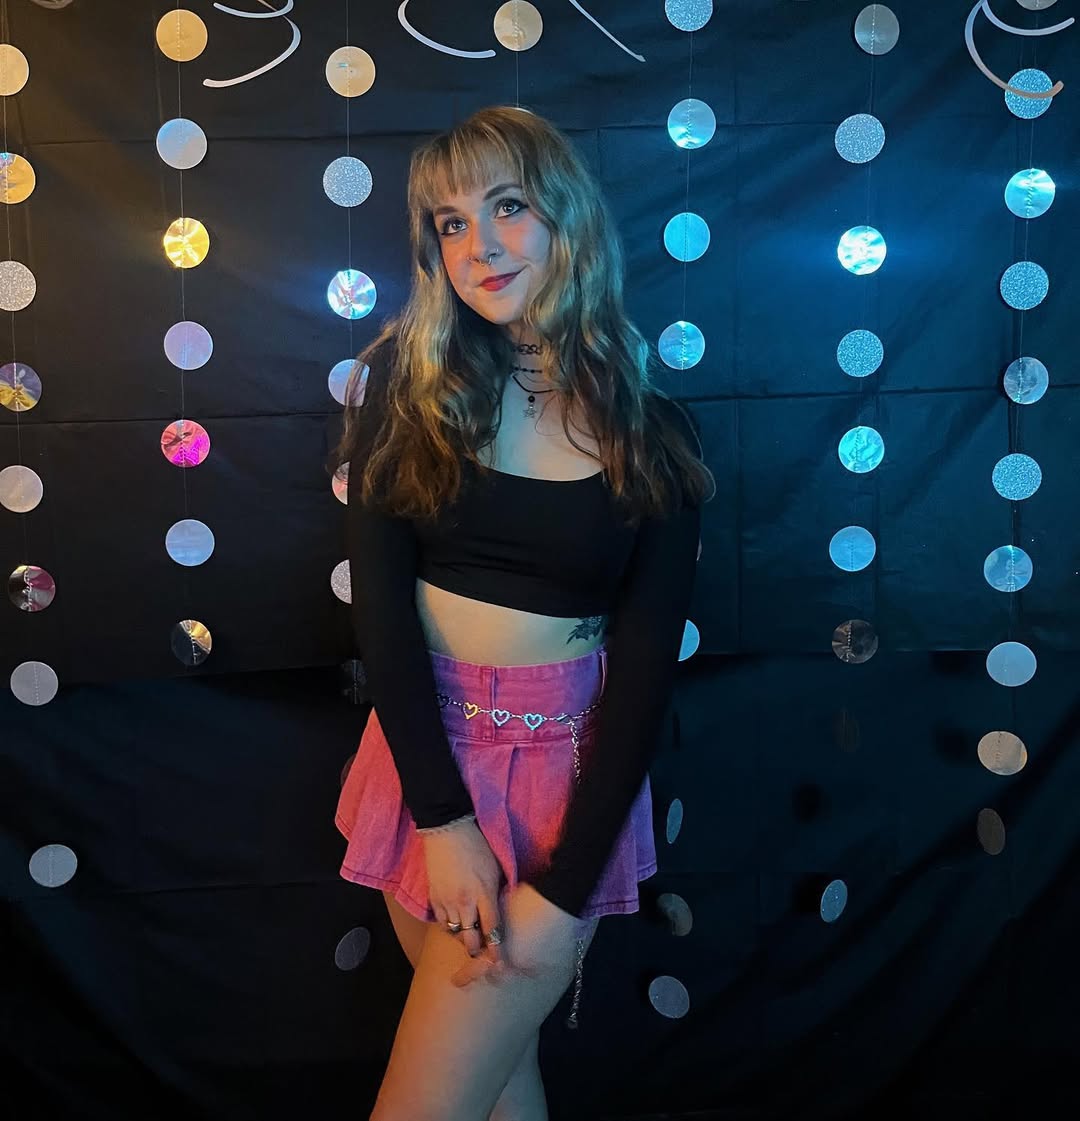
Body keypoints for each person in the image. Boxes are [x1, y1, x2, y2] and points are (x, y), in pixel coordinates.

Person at [331, 105, 714, 1121]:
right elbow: (380, 611)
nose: (480, 246)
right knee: (502, 1085)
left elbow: (643, 678)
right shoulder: (406, 387)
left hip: (561, 785)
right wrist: (441, 817)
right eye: (451, 223)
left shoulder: (656, 432)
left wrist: (567, 887)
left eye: (507, 207)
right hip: (422, 759)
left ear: (566, 217)